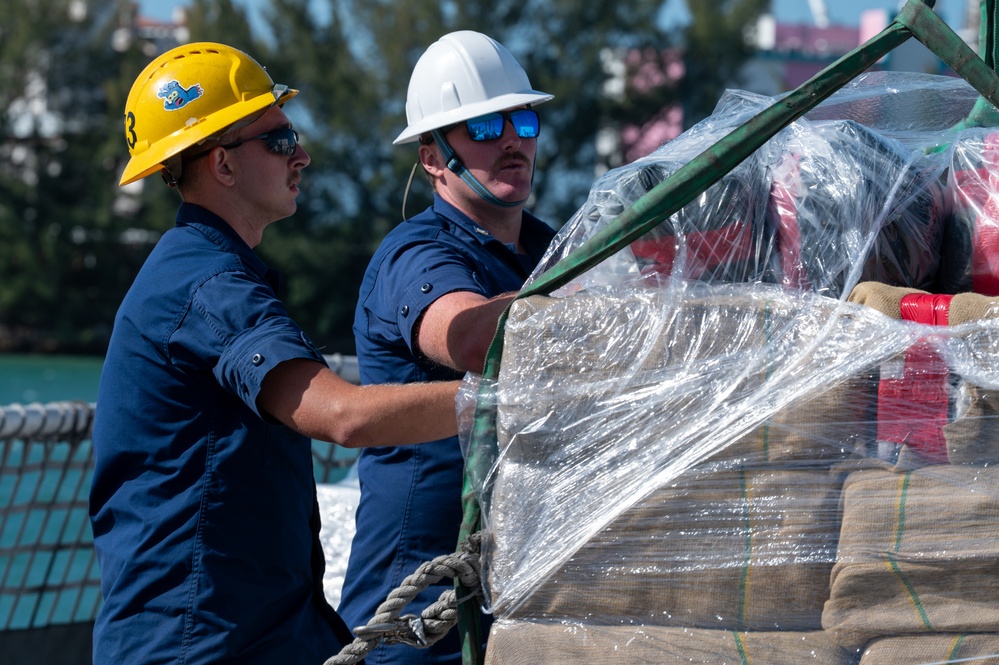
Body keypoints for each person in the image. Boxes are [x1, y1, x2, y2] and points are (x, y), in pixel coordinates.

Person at [89, 42, 460, 665]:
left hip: (246, 634)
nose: (303, 155)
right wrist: (505, 400)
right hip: (202, 646)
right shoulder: (209, 288)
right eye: (281, 139)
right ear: (222, 165)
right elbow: (344, 416)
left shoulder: (203, 272)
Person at [338, 30, 556, 664]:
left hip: (519, 586)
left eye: (522, 119)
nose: (513, 140)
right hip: (419, 608)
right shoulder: (416, 253)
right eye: (485, 127)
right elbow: (465, 337)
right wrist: (598, 312)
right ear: (434, 158)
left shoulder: (555, 252)